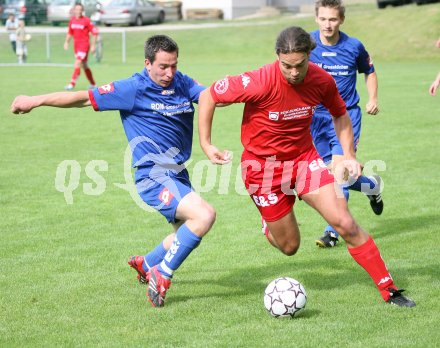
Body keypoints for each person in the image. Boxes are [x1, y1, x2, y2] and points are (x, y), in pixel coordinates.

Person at [197, 26, 415, 307]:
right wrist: (206, 144)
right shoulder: (258, 81)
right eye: (287, 66)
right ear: (278, 57)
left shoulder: (321, 80)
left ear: (310, 56)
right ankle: (269, 224)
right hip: (261, 170)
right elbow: (209, 96)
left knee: (345, 222)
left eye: (300, 65)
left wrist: (348, 153)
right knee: (289, 247)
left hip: (303, 161)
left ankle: (389, 290)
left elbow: (341, 115)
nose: (294, 72)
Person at [11, 34, 216, 308]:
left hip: (177, 173)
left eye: (173, 66)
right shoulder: (132, 88)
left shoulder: (182, 82)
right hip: (152, 176)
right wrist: (35, 100)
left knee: (189, 233)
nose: (169, 73)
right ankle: (161, 273)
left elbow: (210, 96)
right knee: (205, 215)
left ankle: (147, 263)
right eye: (163, 67)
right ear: (147, 63)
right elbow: (82, 98)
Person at [310, 0, 383, 248]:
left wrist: (373, 97)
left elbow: (369, 70)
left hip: (346, 118)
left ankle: (332, 232)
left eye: (332, 19)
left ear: (341, 20)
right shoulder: (306, 44)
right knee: (326, 174)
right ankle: (372, 186)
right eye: (323, 19)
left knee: (339, 175)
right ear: (316, 19)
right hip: (316, 118)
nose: (328, 24)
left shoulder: (354, 46)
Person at [64, 3, 98, 90]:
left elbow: (94, 32)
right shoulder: (72, 20)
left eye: (80, 9)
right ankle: (93, 84)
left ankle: (71, 84)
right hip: (76, 46)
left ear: (82, 11)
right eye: (77, 9)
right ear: (74, 10)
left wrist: (93, 46)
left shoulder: (86, 20)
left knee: (78, 62)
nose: (78, 11)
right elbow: (70, 32)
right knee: (84, 65)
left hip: (84, 45)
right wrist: (66, 42)